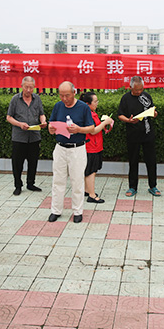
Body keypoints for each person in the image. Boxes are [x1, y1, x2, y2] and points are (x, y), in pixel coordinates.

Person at [48, 82, 95, 223]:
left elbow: (91, 127)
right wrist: (51, 129)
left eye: (67, 95)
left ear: (74, 93)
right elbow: (51, 124)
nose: (64, 99)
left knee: (77, 181)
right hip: (60, 148)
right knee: (58, 180)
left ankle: (78, 211)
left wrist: (79, 129)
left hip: (77, 149)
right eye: (61, 95)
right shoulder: (58, 106)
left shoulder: (83, 107)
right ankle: (56, 210)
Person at [117, 76, 160, 197]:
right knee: (133, 161)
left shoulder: (146, 96)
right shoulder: (125, 98)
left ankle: (153, 186)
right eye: (136, 90)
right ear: (130, 87)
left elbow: (153, 111)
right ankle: (132, 187)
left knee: (151, 160)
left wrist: (154, 113)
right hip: (133, 134)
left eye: (141, 89)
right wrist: (128, 120)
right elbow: (120, 115)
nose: (139, 92)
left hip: (148, 133)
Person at [7, 76, 47, 195]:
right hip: (19, 137)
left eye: (31, 87)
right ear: (21, 86)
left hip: (34, 135)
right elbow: (9, 117)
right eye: (26, 87)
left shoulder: (37, 99)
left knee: (33, 161)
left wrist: (43, 121)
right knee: (17, 163)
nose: (28, 90)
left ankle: (31, 183)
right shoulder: (15, 99)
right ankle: (18, 185)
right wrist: (19, 124)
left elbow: (41, 114)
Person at [80, 91, 114, 203]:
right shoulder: (87, 114)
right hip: (91, 146)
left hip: (95, 145)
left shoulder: (91, 112)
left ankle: (87, 190)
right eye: (95, 101)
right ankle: (92, 195)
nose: (97, 103)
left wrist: (103, 125)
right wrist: (105, 123)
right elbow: (93, 131)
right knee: (91, 171)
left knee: (90, 170)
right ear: (87, 104)